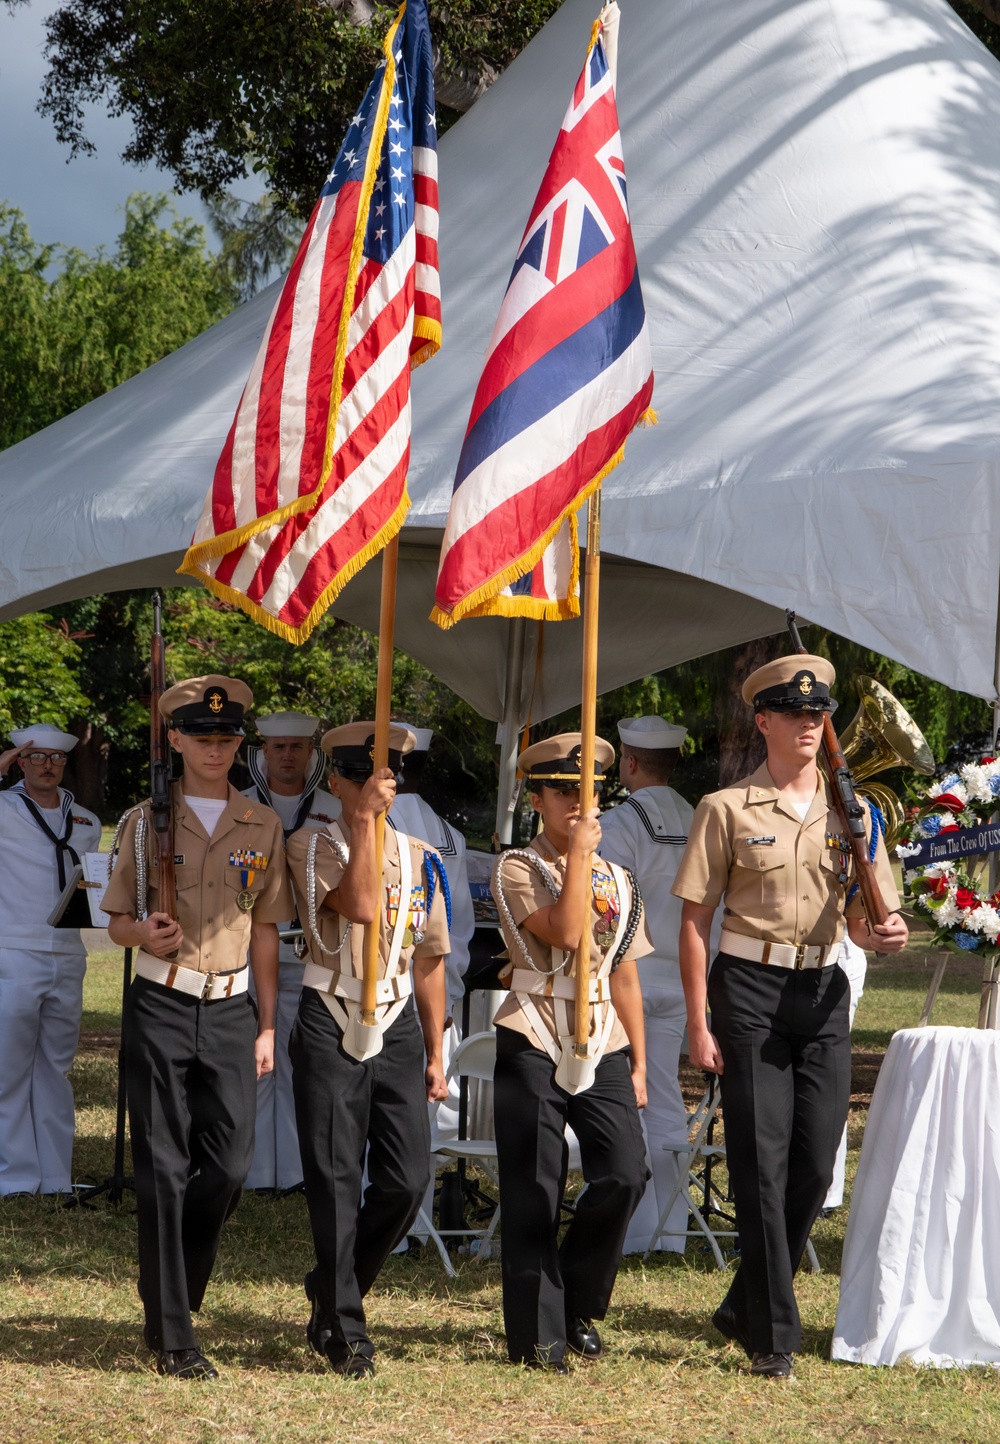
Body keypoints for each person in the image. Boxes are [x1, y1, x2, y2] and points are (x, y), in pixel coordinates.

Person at [673, 655, 907, 1380]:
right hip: (747, 990)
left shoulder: (855, 811)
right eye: (794, 713)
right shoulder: (727, 808)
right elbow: (693, 922)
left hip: (824, 990)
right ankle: (773, 1336)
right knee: (760, 1162)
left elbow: (869, 919)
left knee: (813, 1161)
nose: (809, 724)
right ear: (764, 721)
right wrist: (697, 1021)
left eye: (818, 714)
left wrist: (883, 933)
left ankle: (746, 1297)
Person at [103, 675, 292, 1380]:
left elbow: (267, 931)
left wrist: (267, 1026)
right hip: (161, 1003)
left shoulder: (262, 825)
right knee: (163, 1171)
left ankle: (169, 1293)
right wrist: (140, 935)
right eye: (202, 738)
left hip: (232, 1007)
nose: (217, 749)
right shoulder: (141, 821)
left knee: (231, 1163)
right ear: (175, 740)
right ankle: (175, 1335)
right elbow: (117, 916)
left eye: (227, 738)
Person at [285, 722, 449, 1378]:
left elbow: (431, 955)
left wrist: (437, 1050)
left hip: (398, 1018)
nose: (386, 787)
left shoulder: (418, 855)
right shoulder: (311, 842)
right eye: (373, 777)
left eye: (392, 777)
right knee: (334, 1176)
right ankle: (345, 1330)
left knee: (408, 1180)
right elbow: (354, 905)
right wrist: (359, 827)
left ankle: (333, 1285)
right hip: (330, 1011)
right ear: (341, 780)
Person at [490, 733, 651, 1372]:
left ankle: (577, 1299)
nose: (578, 807)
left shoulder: (619, 878)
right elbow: (565, 930)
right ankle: (538, 1332)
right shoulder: (516, 867)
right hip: (533, 1026)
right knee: (535, 1182)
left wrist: (639, 1060)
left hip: (602, 1031)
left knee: (624, 1171)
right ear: (536, 799)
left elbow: (625, 972)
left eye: (589, 794)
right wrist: (579, 856)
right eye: (562, 793)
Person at [598, 714, 694, 1255]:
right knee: (665, 1099)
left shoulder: (619, 823)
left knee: (627, 1099)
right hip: (683, 977)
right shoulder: (702, 817)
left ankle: (634, 1231)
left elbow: (612, 911)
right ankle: (671, 1232)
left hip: (629, 976)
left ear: (629, 762)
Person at [0, 724, 101, 1195]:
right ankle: (15, 1177)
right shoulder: (2, 807)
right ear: (20, 761)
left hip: (68, 951)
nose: (46, 765)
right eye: (35, 757)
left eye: (54, 759)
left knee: (56, 1068)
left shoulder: (86, 820)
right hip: (14, 949)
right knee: (9, 1068)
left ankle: (56, 1176)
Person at [242, 711, 340, 1191]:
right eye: (277, 747)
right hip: (250, 947)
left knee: (305, 1063)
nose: (286, 756)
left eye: (295, 747)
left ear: (311, 754)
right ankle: (259, 1171)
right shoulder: (237, 806)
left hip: (312, 951)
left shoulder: (333, 808)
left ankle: (301, 1171)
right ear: (263, 753)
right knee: (258, 1060)